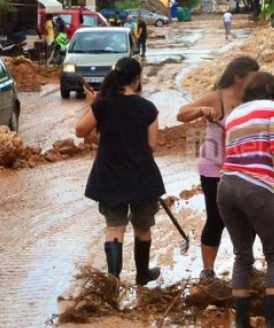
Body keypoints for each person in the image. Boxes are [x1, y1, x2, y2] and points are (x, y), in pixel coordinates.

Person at [217, 72, 274, 328]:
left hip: (227, 187)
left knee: (243, 256)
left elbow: (241, 153)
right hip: (255, 189)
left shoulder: (234, 114)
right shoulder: (273, 108)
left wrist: (267, 168)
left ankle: (242, 325)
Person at [75, 57, 165, 288]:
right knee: (142, 227)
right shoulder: (147, 108)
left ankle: (113, 282)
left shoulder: (103, 104)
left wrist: (91, 104)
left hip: (110, 176)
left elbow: (80, 130)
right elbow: (152, 145)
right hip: (142, 177)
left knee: (114, 227)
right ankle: (142, 275)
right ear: (136, 80)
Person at [176, 56, 261, 284]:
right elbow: (182, 113)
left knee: (249, 219)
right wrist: (201, 110)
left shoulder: (252, 99)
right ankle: (207, 272)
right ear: (237, 78)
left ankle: (245, 266)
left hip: (243, 168)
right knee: (217, 219)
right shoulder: (217, 98)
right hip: (215, 169)